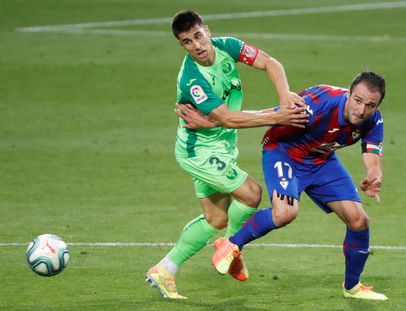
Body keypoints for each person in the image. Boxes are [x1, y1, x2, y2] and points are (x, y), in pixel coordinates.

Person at [145, 10, 308, 299]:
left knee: (215, 219)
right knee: (251, 194)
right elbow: (228, 118)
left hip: (220, 146)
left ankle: (164, 269)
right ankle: (231, 248)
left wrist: (284, 95)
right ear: (182, 46)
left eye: (198, 35)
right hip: (199, 151)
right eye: (187, 41)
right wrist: (277, 116)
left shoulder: (226, 46)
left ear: (207, 30)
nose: (197, 45)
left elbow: (270, 62)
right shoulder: (193, 80)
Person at [210, 71, 388, 300]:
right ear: (349, 94)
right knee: (285, 213)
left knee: (359, 220)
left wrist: (374, 176)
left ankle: (352, 287)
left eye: (370, 105)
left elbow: (373, 157)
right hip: (284, 152)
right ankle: (231, 244)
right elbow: (271, 114)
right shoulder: (320, 104)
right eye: (358, 100)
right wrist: (217, 119)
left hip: (321, 160)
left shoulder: (374, 119)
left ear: (378, 105)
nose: (361, 110)